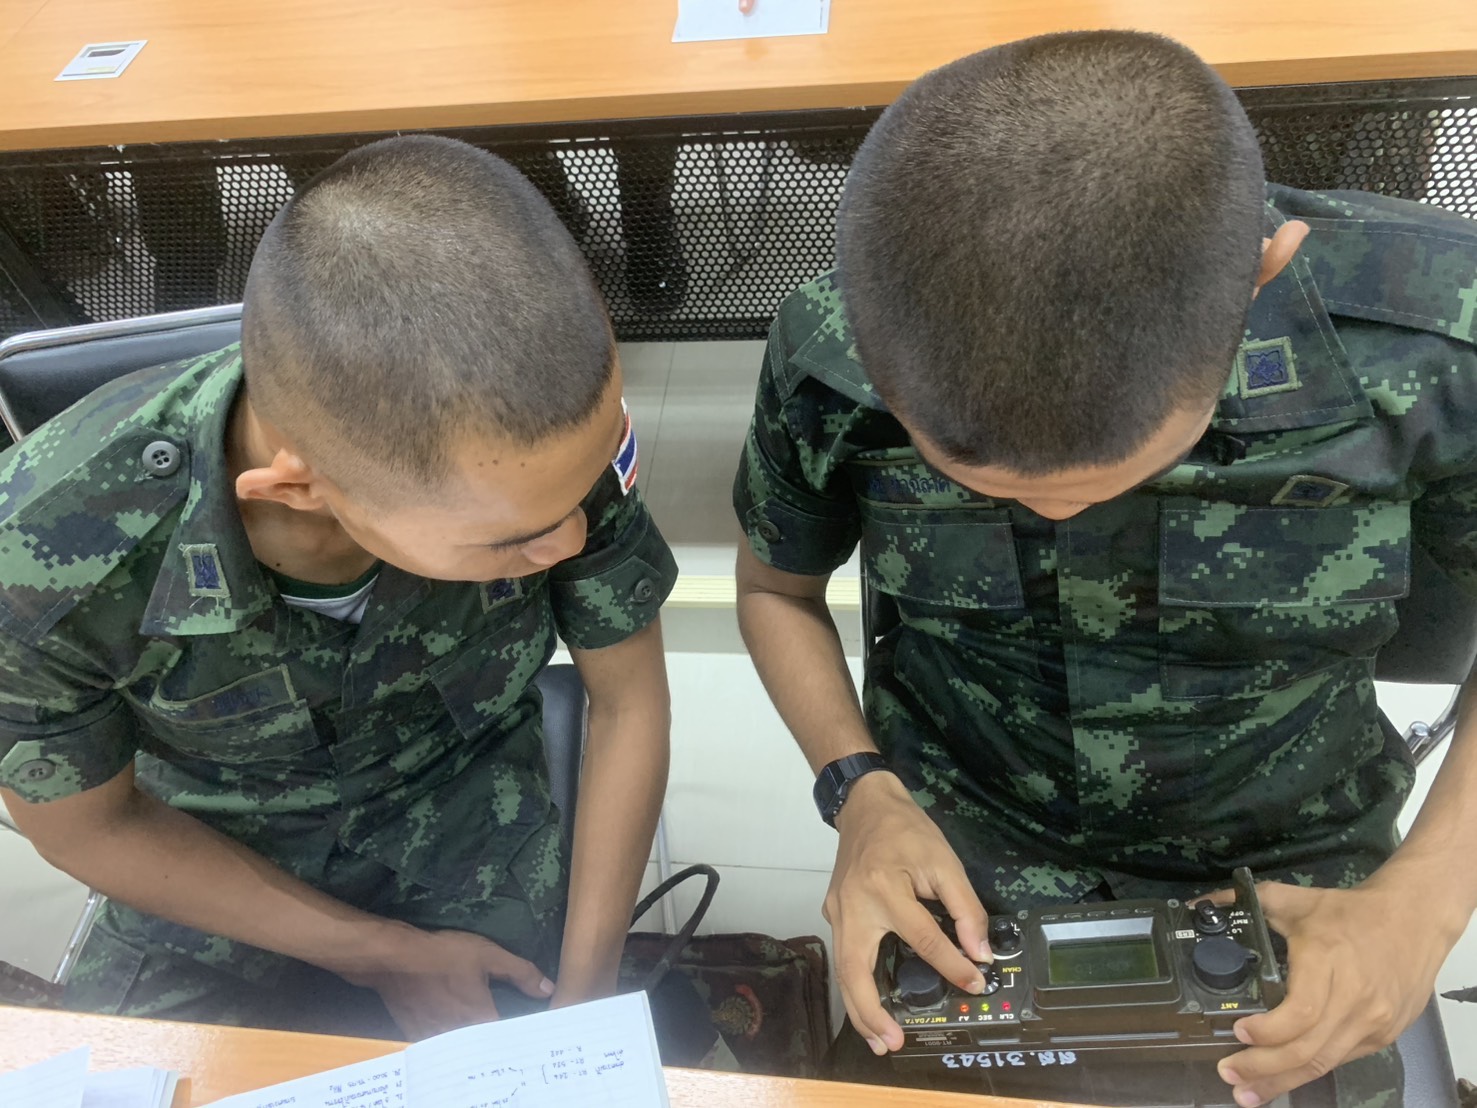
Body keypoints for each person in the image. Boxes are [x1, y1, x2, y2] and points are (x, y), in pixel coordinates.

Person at [732, 31, 1477, 1108]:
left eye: (1114, 474)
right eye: (978, 482)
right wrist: (859, 793)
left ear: (1260, 277)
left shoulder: (1434, 329)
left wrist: (1429, 897)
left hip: (1295, 862)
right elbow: (775, 590)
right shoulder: (830, 351)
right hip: (953, 841)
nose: (1052, 512)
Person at [0, 135, 677, 1041]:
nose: (570, 543)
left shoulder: (537, 450)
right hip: (205, 849)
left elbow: (628, 703)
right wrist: (379, 953)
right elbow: (91, 826)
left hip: (462, 802)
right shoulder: (46, 555)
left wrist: (587, 996)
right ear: (297, 491)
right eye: (510, 541)